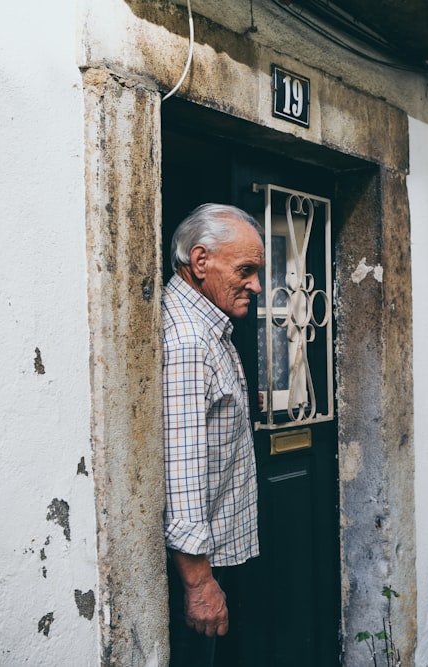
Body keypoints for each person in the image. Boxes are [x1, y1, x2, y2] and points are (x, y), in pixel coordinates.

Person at [162, 203, 265, 666]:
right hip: (201, 569)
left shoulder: (210, 330)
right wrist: (199, 584)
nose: (257, 285)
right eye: (246, 270)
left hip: (220, 554)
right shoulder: (188, 342)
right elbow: (180, 475)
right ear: (200, 261)